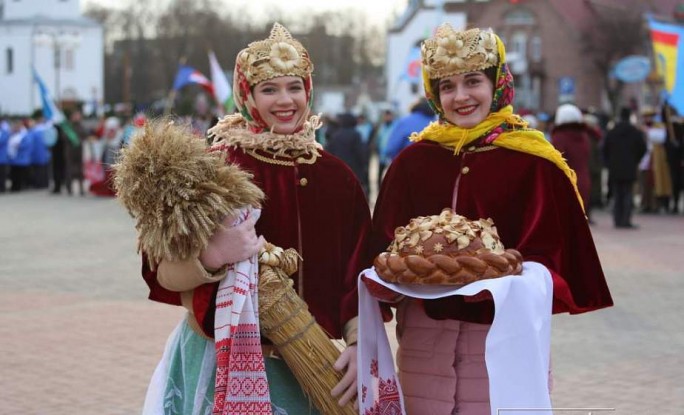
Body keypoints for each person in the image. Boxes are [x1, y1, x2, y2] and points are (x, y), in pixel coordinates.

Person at [370, 25, 613, 414]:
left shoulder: (534, 162)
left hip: (502, 337)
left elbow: (554, 262)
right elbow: (384, 248)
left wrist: (507, 277)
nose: (460, 96)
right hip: (424, 339)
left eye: (472, 81)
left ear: (498, 83)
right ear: (433, 94)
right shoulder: (412, 162)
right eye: (446, 86)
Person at [139, 23, 370, 414]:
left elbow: (358, 267)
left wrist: (359, 342)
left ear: (308, 91)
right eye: (269, 89)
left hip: (314, 359)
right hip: (222, 355)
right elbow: (158, 266)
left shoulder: (337, 176)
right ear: (246, 94)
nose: (286, 100)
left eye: (294, 87)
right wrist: (212, 255)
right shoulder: (215, 167)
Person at [603, 107, 647, 228]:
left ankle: (617, 220)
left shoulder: (612, 132)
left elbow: (604, 149)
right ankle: (626, 220)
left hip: (615, 167)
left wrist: (609, 163)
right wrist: (635, 160)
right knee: (628, 194)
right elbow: (643, 148)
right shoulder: (634, 132)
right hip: (629, 167)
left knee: (617, 194)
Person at [551, 103, 592, 221]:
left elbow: (556, 161)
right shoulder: (584, 136)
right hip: (584, 180)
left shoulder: (559, 137)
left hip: (565, 182)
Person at [326, 112, 368, 195]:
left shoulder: (335, 135)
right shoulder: (356, 135)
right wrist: (365, 165)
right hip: (354, 170)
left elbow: (329, 152)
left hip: (339, 170)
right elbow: (361, 152)